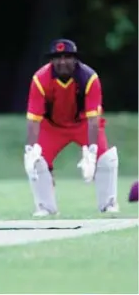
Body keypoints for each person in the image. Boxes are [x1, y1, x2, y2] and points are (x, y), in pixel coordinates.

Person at [24, 39, 119, 217]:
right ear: (51, 60)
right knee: (36, 160)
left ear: (75, 59)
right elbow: (34, 118)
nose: (62, 62)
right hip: (52, 127)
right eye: (57, 57)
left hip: (83, 124)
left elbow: (93, 119)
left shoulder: (89, 78)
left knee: (106, 158)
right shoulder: (40, 79)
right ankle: (45, 207)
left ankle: (108, 204)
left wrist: (91, 152)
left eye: (67, 57)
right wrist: (30, 150)